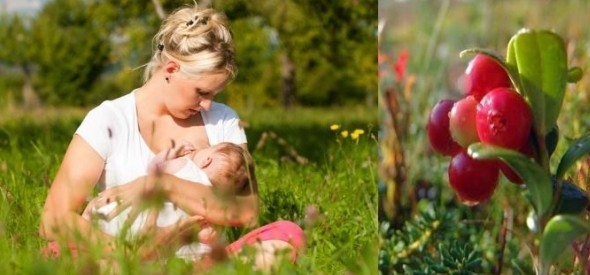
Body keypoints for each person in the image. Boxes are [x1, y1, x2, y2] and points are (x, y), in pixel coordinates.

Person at [39, 3, 304, 271]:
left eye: (214, 95)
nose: (208, 105)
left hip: (202, 263)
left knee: (287, 235)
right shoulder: (109, 120)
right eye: (201, 92)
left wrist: (161, 185)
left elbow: (246, 211)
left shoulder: (223, 121)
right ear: (171, 70)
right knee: (60, 252)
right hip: (124, 256)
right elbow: (53, 219)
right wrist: (131, 250)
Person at [83, 142, 254, 260]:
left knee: (109, 212)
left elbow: (154, 169)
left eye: (208, 149)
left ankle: (89, 221)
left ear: (207, 160)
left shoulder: (186, 165)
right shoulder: (214, 203)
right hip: (164, 244)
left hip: (125, 223)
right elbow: (207, 236)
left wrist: (173, 152)